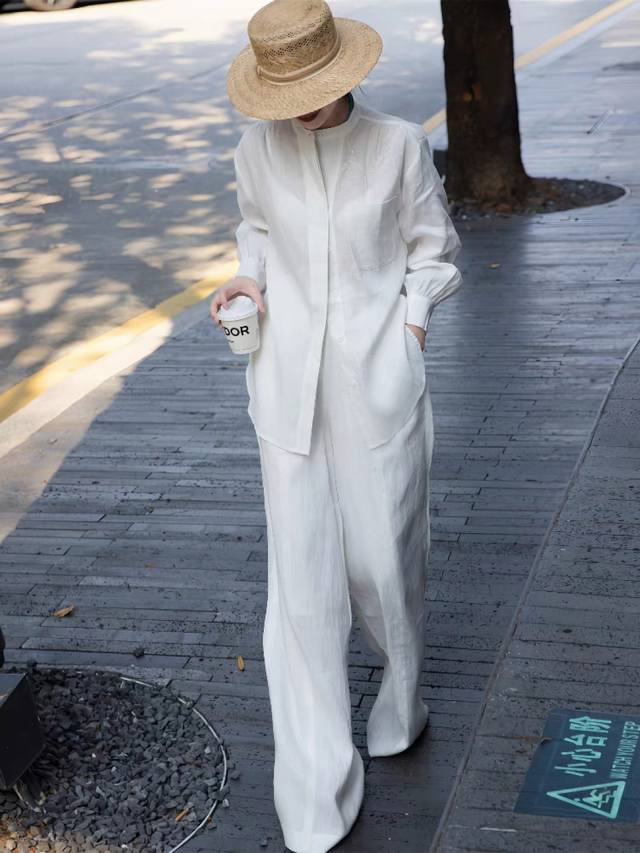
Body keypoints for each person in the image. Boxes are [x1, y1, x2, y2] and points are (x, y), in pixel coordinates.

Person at [211, 1, 462, 850]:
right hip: (285, 387)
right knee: (302, 587)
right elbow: (256, 231)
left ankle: (402, 699)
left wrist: (412, 325)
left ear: (343, 74)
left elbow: (433, 248)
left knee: (382, 565)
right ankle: (315, 790)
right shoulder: (255, 151)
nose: (297, 113)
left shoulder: (397, 146)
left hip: (377, 383)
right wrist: (247, 283)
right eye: (283, 99)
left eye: (309, 94)